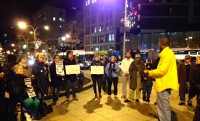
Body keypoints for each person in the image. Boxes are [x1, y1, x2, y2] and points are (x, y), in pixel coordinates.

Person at [144, 37, 179, 121]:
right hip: (165, 83)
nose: (158, 45)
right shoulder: (169, 53)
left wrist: (149, 72)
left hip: (164, 84)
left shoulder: (166, 54)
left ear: (162, 43)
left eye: (159, 43)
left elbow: (161, 71)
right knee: (162, 106)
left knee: (163, 107)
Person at [192, 56, 200, 121]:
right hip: (197, 86)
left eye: (198, 59)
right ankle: (196, 106)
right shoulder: (197, 66)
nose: (196, 60)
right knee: (197, 97)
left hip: (198, 85)